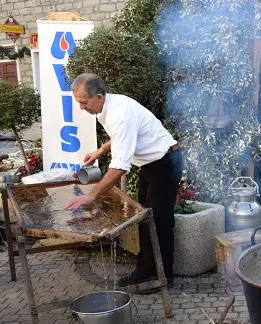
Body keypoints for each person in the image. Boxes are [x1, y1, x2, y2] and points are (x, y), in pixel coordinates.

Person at [64, 73, 183, 294]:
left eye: (83, 103)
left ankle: (163, 277)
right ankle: (146, 268)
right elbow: (120, 136)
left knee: (160, 221)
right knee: (145, 218)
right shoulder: (106, 107)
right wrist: (100, 150)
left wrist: (92, 195)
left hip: (165, 164)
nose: (81, 108)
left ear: (98, 96)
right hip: (151, 165)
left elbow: (119, 166)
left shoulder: (120, 114)